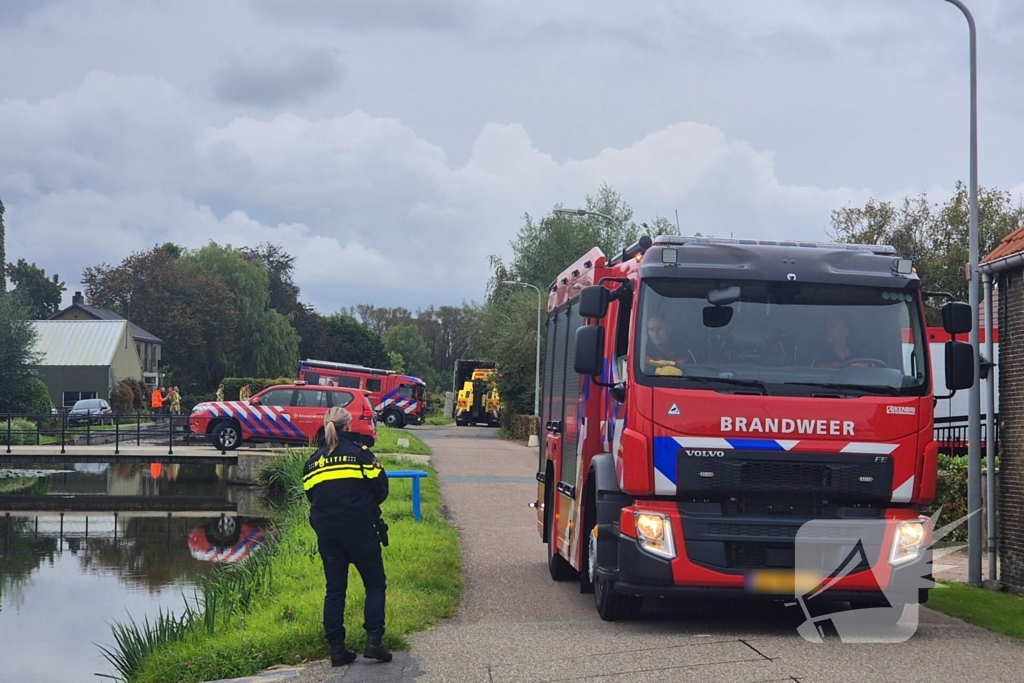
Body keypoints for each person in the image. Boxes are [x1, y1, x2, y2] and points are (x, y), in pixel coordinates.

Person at [303, 407, 392, 666]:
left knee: (335, 590)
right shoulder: (360, 454)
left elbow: (312, 496)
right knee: (374, 584)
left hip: (329, 536)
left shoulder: (312, 463)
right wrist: (364, 506)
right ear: (348, 425)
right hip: (361, 531)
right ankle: (374, 642)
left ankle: (337, 650)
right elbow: (381, 488)